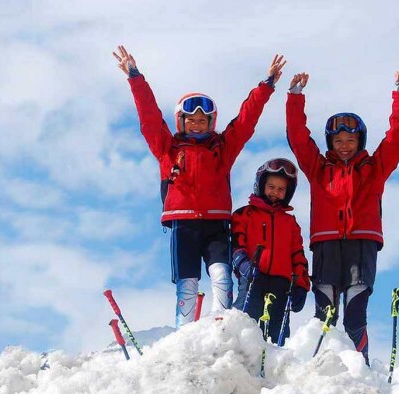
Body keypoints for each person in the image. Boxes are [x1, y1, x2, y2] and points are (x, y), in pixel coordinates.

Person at [113, 45, 286, 328]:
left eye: (202, 121)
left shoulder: (222, 148)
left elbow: (246, 121)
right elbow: (149, 117)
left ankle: (221, 326)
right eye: (191, 120)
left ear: (211, 122)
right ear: (181, 122)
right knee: (188, 282)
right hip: (183, 223)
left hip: (216, 223)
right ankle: (185, 332)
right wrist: (135, 77)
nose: (196, 125)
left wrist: (266, 86)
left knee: (222, 275)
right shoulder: (167, 148)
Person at [285, 71, 399, 365]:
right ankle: (321, 367)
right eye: (338, 140)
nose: (344, 145)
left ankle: (359, 367)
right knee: (325, 313)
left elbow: (396, 138)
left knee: (355, 312)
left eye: (351, 140)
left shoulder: (374, 168)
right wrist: (295, 97)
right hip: (326, 245)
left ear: (360, 140)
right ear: (330, 142)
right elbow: (297, 137)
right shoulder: (318, 168)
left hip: (362, 244)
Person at [231, 158, 311, 343]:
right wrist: (243, 264)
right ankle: (237, 352)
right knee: (245, 324)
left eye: (281, 189)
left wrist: (301, 285)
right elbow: (236, 244)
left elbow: (298, 256)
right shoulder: (244, 214)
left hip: (281, 283)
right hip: (253, 278)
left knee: (276, 331)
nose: (275, 192)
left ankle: (274, 357)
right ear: (261, 185)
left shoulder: (290, 223)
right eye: (271, 187)